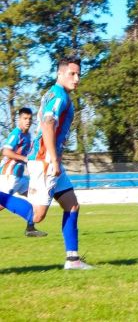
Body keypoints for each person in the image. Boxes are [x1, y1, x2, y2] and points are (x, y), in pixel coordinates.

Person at [25, 55, 92, 269]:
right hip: (45, 159)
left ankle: (73, 260)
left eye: (79, 74)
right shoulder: (59, 96)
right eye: (72, 74)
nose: (77, 78)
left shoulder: (55, 93)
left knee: (71, 205)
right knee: (37, 215)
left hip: (51, 159)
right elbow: (47, 124)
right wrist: (53, 160)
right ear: (60, 73)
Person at [0, 107, 48, 237]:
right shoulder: (17, 133)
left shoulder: (28, 135)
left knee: (35, 196)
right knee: (2, 204)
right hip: (9, 175)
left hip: (20, 177)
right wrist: (24, 159)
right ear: (19, 119)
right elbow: (5, 151)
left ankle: (30, 228)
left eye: (29, 119)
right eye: (25, 118)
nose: (28, 121)